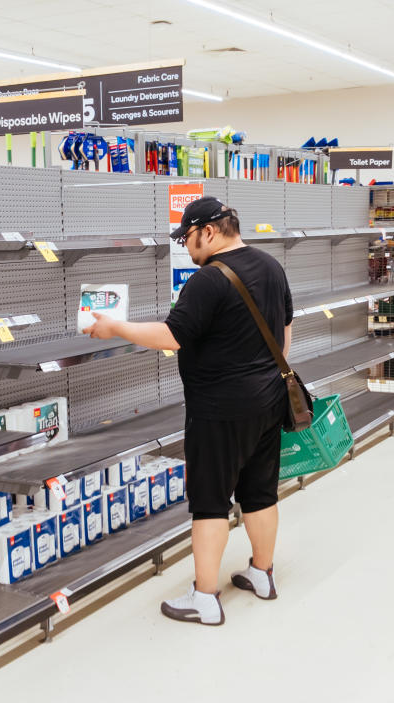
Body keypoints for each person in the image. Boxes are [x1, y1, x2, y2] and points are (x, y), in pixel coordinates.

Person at [83, 196, 293, 626]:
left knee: (210, 503)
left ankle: (205, 598)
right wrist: (266, 378)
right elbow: (285, 330)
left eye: (188, 238)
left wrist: (114, 327)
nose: (187, 248)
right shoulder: (271, 266)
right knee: (260, 492)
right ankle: (263, 574)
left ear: (209, 232)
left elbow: (171, 336)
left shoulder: (208, 281)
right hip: (270, 400)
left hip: (218, 410)